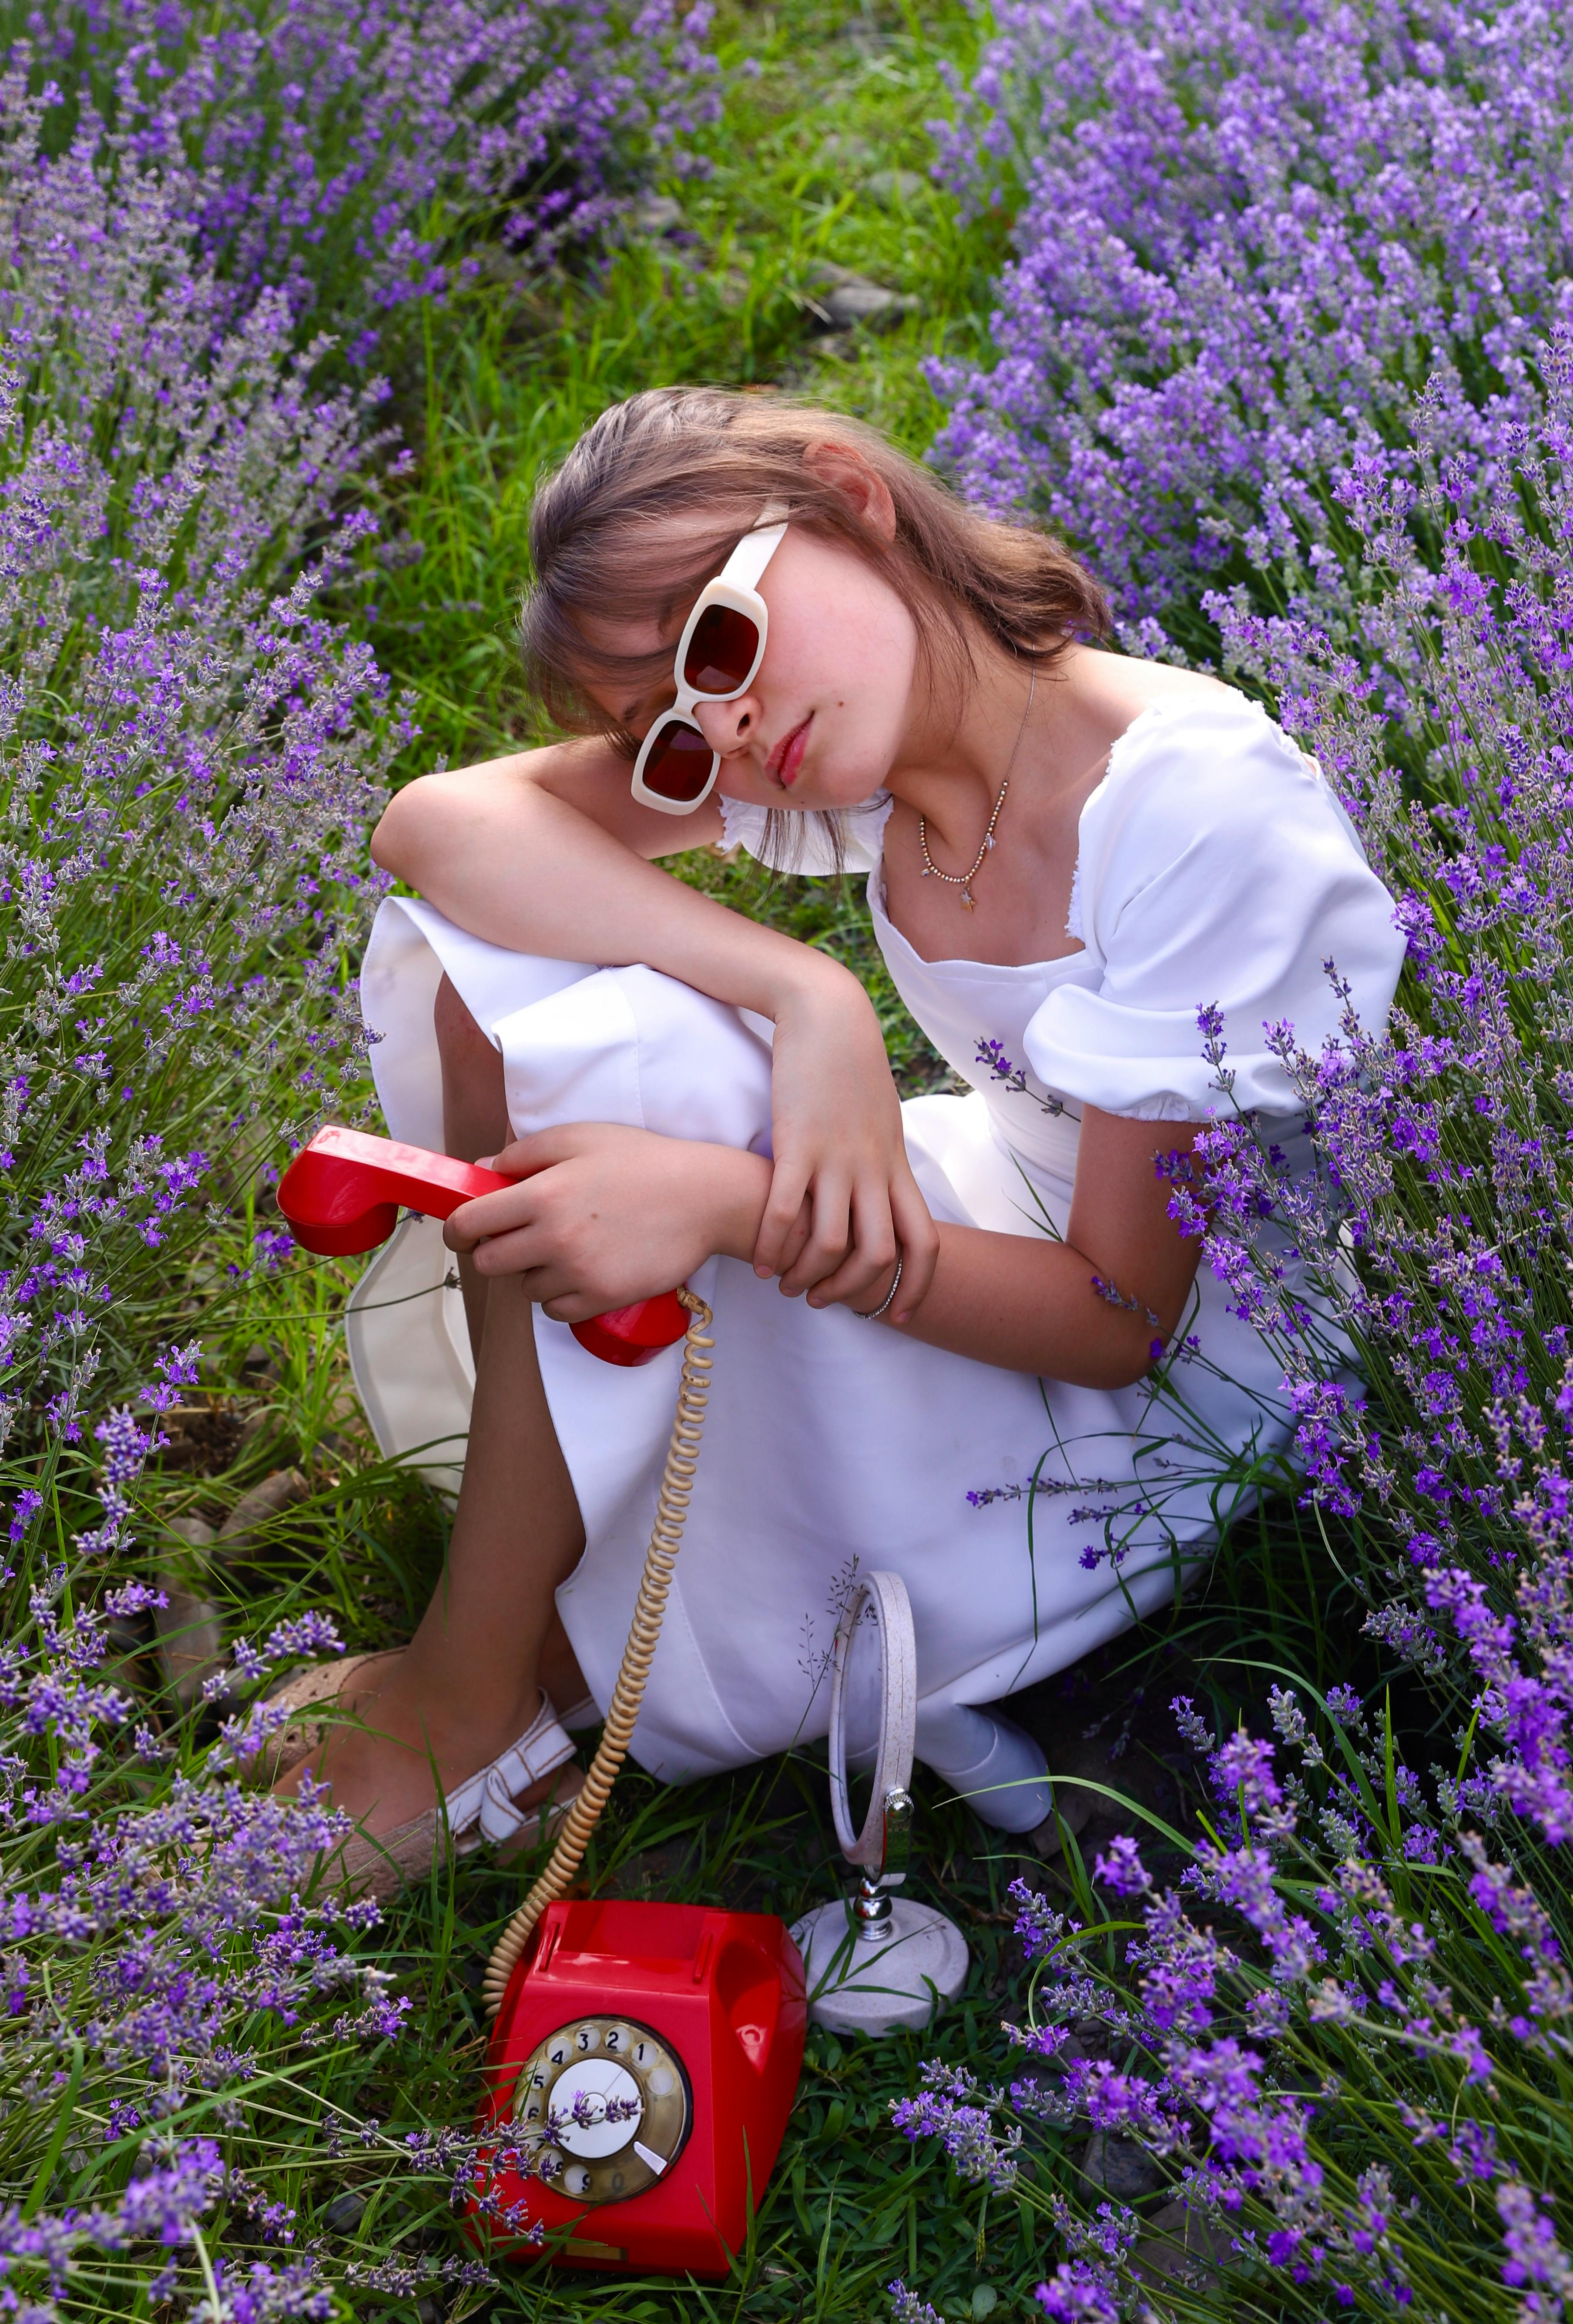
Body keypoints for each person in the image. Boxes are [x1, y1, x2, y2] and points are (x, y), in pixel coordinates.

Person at [271, 388, 1406, 1890]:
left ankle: (483, 1700)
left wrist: (731, 1205)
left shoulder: (1193, 814)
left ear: (846, 497)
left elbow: (1127, 1322)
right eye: (672, 743)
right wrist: (806, 995)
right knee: (543, 1003)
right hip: (999, 1216)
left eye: (718, 643)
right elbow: (438, 826)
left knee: (632, 1090)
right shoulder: (884, 776)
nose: (726, 730)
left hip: (1160, 1391)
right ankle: (486, 1671)